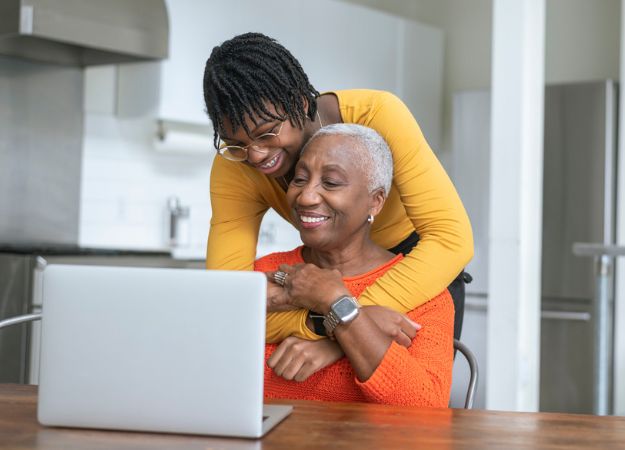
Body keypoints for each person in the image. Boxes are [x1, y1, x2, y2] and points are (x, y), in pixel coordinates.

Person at [203, 32, 472, 344]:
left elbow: (451, 240)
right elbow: (226, 296)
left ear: (300, 103)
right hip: (329, 283)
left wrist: (344, 324)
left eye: (267, 134)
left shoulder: (378, 115)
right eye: (236, 143)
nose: (256, 155)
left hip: (416, 267)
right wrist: (323, 324)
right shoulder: (234, 164)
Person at [256, 124, 454, 407]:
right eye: (299, 179)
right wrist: (357, 321)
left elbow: (424, 408)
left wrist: (334, 299)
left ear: (375, 202)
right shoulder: (265, 273)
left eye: (331, 183)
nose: (305, 197)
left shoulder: (425, 294)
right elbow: (216, 366)